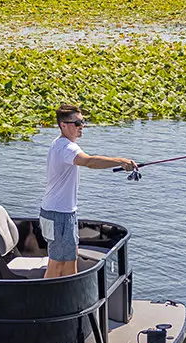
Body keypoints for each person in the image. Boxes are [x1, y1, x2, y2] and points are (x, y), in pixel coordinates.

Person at [40, 104, 137, 279]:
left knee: (70, 259)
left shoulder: (62, 144)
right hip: (58, 214)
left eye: (83, 122)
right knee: (57, 264)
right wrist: (120, 161)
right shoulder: (65, 147)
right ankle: (45, 304)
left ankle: (71, 299)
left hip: (63, 213)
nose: (81, 126)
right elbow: (89, 162)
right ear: (63, 125)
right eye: (77, 123)